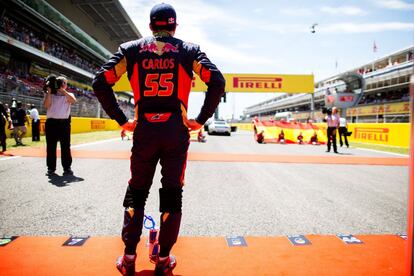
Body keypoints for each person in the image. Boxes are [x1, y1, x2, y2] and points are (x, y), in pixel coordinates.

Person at [92, 3, 225, 276]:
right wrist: (200, 119)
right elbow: (217, 81)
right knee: (172, 194)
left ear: (151, 25)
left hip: (144, 131)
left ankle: (129, 256)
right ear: (174, 25)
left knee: (136, 191)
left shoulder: (131, 49)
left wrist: (121, 118)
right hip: (176, 131)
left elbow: (100, 81)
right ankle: (163, 258)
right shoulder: (189, 50)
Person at [43, 75, 76, 175]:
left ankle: (67, 168)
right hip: (51, 123)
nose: (64, 84)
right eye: (62, 82)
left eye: (65, 83)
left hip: (64, 123)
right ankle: (51, 168)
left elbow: (73, 101)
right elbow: (46, 106)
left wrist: (63, 91)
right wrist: (49, 91)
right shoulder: (49, 94)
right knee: (51, 146)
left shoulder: (69, 94)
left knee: (65, 146)